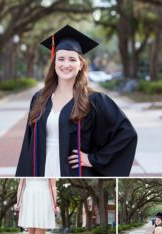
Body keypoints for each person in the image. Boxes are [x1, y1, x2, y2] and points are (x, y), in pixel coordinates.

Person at [15, 25, 137, 177]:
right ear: (54, 63)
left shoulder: (94, 101)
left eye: (72, 59)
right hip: (41, 171)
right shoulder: (39, 98)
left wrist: (93, 159)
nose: (66, 64)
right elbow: (28, 144)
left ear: (81, 65)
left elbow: (127, 135)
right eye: (61, 59)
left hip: (75, 175)